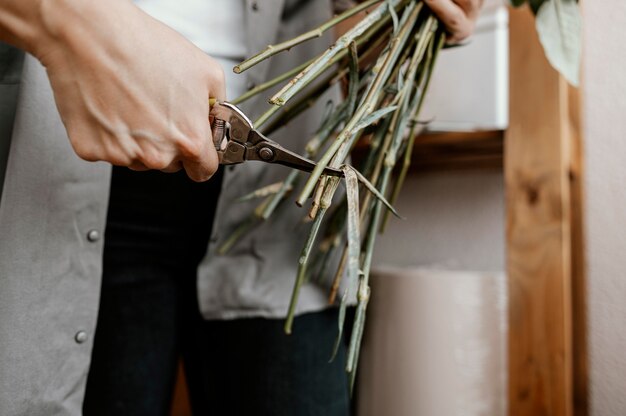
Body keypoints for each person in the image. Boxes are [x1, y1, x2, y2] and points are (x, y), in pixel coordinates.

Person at [0, 0, 482, 415]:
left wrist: (392, 20)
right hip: (80, 151)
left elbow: (346, 33)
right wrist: (79, 28)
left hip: (281, 201)